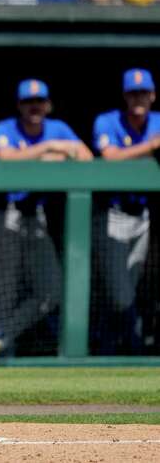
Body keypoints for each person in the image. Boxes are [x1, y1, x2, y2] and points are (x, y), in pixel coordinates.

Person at [0, 79, 92, 362]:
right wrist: (51, 150)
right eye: (28, 102)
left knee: (50, 292)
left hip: (36, 217)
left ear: (48, 104)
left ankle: (1, 338)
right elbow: (6, 158)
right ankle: (3, 352)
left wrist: (50, 149)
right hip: (6, 213)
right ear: (19, 106)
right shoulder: (4, 128)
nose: (34, 107)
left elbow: (87, 157)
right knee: (5, 290)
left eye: (39, 101)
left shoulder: (58, 128)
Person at [91, 68, 159, 354]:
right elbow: (110, 157)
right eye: (133, 93)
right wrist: (152, 146)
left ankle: (108, 345)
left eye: (143, 92)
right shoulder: (108, 121)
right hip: (112, 215)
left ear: (153, 95)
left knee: (127, 289)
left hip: (142, 216)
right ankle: (133, 347)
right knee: (121, 295)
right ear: (125, 96)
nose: (138, 98)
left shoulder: (157, 120)